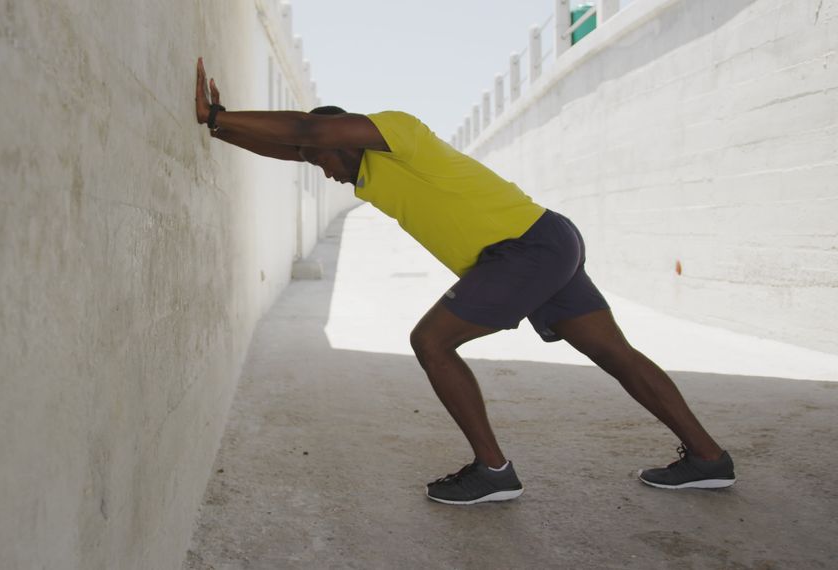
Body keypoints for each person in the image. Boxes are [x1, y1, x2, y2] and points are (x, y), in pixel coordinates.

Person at [194, 58, 736, 505]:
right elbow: (293, 145)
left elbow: (305, 132)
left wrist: (224, 111)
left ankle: (493, 471)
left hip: (522, 249)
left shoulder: (398, 133)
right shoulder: (364, 171)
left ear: (344, 137)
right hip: (546, 240)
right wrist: (219, 126)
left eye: (322, 160)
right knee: (615, 353)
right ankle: (708, 458)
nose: (322, 170)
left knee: (431, 341)